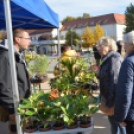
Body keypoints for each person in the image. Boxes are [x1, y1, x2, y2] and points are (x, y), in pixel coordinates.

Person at [0, 28, 31, 134]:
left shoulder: (18, 54)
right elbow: (4, 84)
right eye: (27, 38)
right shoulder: (6, 56)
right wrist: (12, 109)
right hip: (15, 107)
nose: (30, 41)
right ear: (17, 39)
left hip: (22, 104)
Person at [97, 37, 126, 134]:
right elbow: (106, 79)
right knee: (113, 124)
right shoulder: (107, 58)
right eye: (98, 46)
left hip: (115, 101)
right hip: (110, 99)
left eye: (100, 45)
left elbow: (114, 83)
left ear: (109, 46)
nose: (98, 48)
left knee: (119, 125)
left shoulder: (114, 59)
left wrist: (110, 103)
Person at [113, 31, 134, 134]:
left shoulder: (129, 62)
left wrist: (120, 117)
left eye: (125, 44)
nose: (124, 47)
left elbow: (125, 93)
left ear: (132, 44)